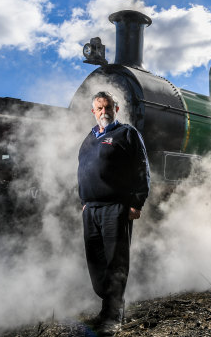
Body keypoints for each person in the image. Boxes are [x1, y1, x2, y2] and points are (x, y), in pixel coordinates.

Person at [77, 91, 150, 335]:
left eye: (108, 107)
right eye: (99, 108)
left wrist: (136, 202)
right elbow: (82, 170)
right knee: (96, 262)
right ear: (93, 112)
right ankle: (106, 305)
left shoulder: (127, 133)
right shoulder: (89, 138)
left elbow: (142, 168)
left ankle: (114, 313)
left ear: (115, 109)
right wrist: (84, 201)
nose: (104, 111)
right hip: (91, 209)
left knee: (115, 261)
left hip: (115, 207)